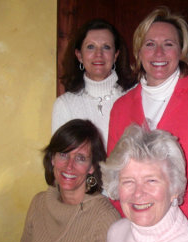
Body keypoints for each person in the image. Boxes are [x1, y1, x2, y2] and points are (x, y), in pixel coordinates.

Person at [107, 6, 188, 242]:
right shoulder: (121, 107)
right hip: (137, 228)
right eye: (150, 44)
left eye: (169, 44)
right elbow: (115, 178)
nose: (159, 53)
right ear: (139, 51)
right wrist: (130, 223)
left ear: (182, 51)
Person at [11, 119, 120, 242]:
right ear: (52, 159)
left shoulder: (105, 219)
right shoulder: (39, 203)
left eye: (80, 158)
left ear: (92, 167)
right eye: (63, 154)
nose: (69, 166)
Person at [52, 19, 136, 148]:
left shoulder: (134, 96)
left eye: (106, 47)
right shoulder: (65, 105)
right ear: (79, 55)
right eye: (91, 47)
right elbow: (61, 158)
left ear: (115, 55)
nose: (99, 54)